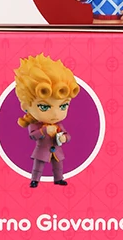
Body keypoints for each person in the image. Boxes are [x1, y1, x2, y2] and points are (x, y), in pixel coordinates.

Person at [14, 54, 79, 188]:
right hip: (42, 151)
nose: (55, 114)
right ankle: (35, 180)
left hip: (57, 151)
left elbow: (67, 135)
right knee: (38, 166)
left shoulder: (58, 124)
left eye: (63, 106)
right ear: (26, 107)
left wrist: (64, 138)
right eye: (44, 107)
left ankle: (59, 179)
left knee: (58, 166)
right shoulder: (34, 124)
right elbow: (33, 136)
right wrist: (44, 130)